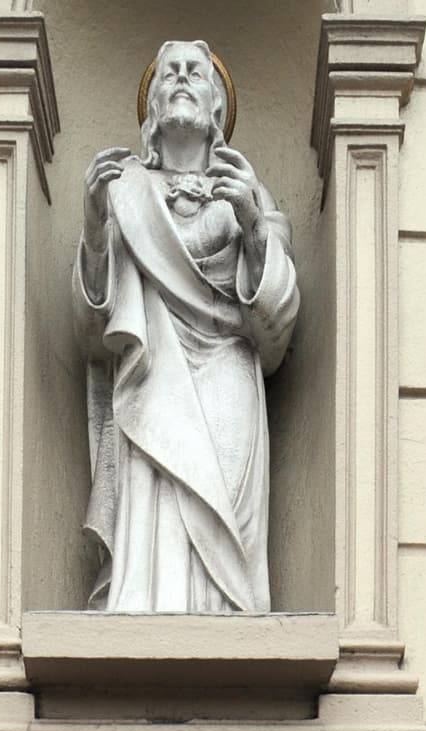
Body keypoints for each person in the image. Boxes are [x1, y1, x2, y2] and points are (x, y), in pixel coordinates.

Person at [74, 38, 299, 612]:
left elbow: (277, 323)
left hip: (227, 372)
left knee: (219, 508)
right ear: (151, 104)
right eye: (168, 71)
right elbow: (91, 326)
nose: (179, 78)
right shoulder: (123, 192)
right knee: (156, 507)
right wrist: (96, 226)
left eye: (194, 72)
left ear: (217, 107)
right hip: (152, 372)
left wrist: (251, 222)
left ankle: (226, 616)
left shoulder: (246, 191)